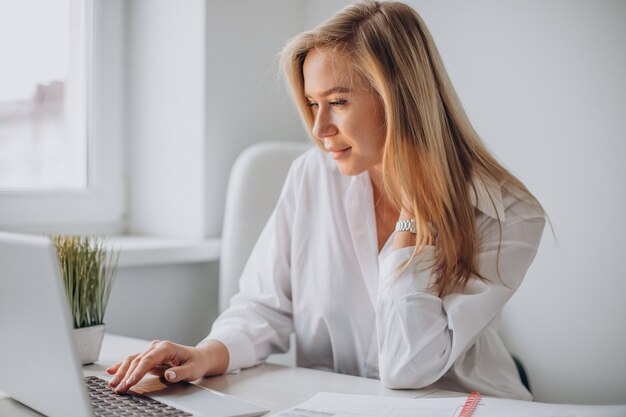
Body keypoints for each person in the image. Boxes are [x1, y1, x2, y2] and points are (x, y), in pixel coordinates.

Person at [108, 1, 545, 400]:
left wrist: (412, 222)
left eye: (337, 102)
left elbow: (408, 368)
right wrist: (205, 354)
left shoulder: (507, 213)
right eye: (313, 103)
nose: (319, 129)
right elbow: (263, 306)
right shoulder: (311, 176)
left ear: (401, 101)